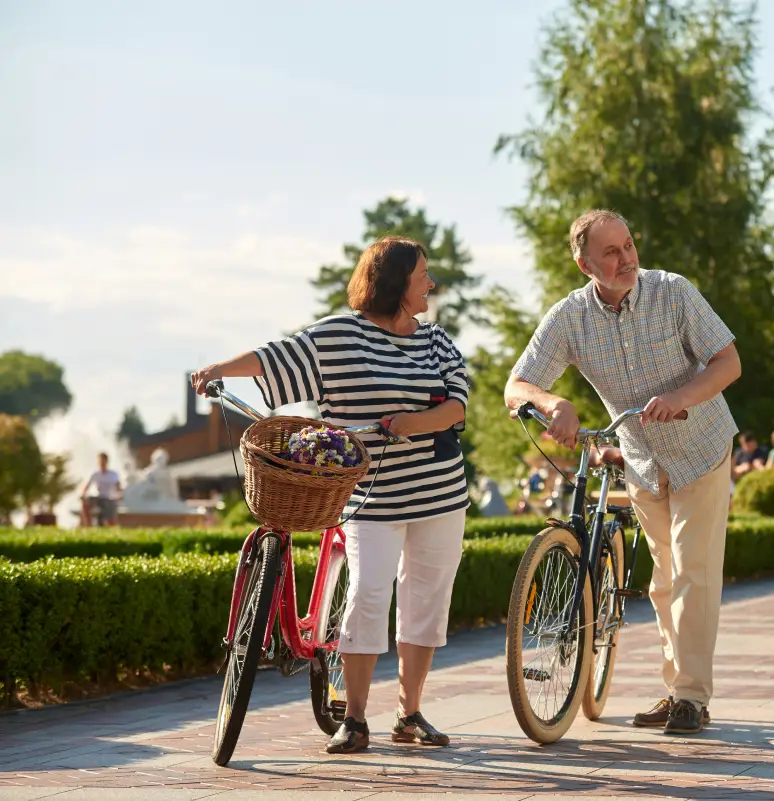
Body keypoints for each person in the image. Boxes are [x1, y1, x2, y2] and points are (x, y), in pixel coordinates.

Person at [190, 236, 470, 754]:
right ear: (395, 284)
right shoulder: (339, 336)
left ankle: (410, 714)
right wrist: (217, 372)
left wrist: (409, 423)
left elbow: (457, 406)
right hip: (368, 495)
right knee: (367, 596)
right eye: (422, 276)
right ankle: (356, 719)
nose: (431, 283)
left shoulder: (437, 341)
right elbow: (276, 357)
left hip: (439, 492)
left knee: (426, 602)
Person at [504, 209, 742, 736]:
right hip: (640, 458)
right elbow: (516, 384)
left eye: (629, 244)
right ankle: (676, 687)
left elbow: (728, 362)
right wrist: (552, 401)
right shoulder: (569, 317)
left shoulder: (673, 292)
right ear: (584, 262)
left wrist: (682, 397)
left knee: (692, 571)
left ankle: (691, 698)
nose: (626, 258)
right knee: (663, 582)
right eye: (610, 252)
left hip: (701, 448)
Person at [79, 452, 121, 527]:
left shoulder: (113, 475)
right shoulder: (95, 474)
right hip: (97, 497)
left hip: (108, 498)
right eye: (100, 461)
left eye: (103, 461)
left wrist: (119, 495)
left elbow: (118, 487)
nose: (101, 463)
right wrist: (83, 494)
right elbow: (86, 486)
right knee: (85, 504)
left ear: (107, 461)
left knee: (111, 515)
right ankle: (88, 525)